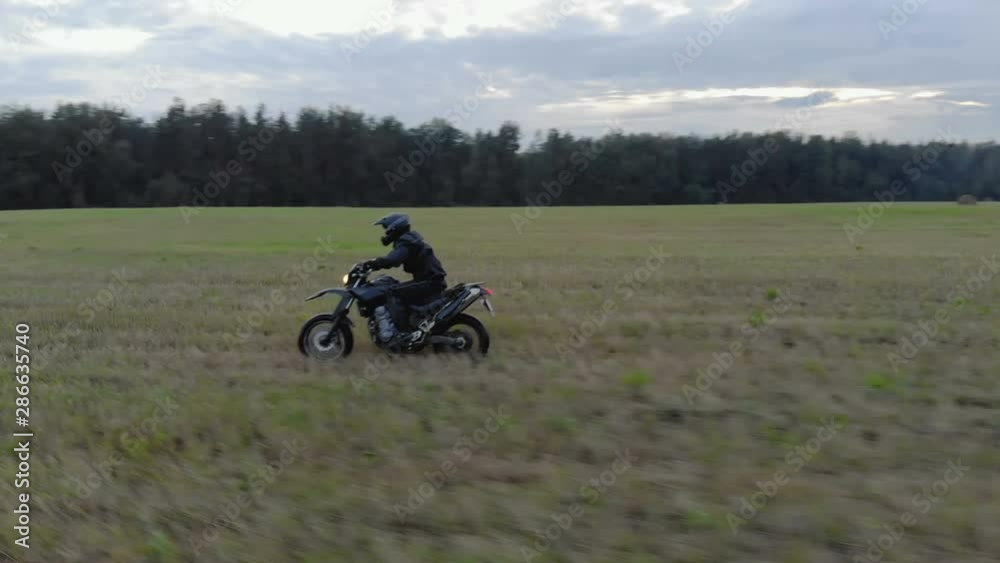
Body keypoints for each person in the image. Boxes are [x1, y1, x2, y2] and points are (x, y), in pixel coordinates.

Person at [361, 213, 447, 342]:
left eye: (386, 229)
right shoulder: (409, 240)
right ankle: (410, 323)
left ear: (394, 228)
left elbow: (393, 260)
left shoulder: (406, 242)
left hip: (429, 282)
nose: (385, 234)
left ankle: (401, 333)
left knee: (391, 292)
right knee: (394, 286)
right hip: (430, 280)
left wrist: (372, 264)